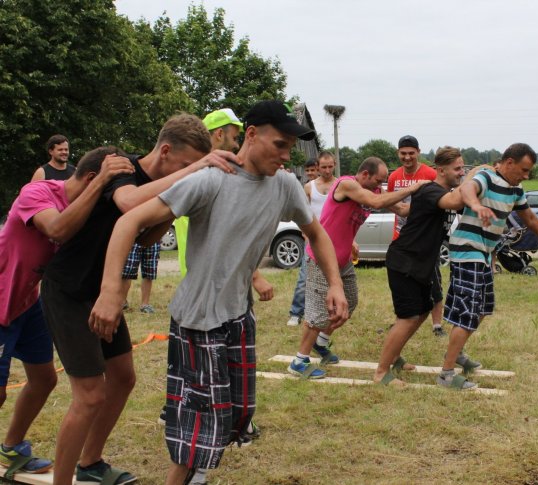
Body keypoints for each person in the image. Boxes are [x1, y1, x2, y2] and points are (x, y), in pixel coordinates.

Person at [88, 100, 349, 485]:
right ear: (251, 134)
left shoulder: (285, 186)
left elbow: (316, 234)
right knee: (200, 426)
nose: (285, 156)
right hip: (198, 319)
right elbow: (128, 221)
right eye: (279, 145)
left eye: (291, 148)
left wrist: (335, 284)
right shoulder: (211, 179)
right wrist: (111, 292)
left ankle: (197, 472)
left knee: (236, 415)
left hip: (238, 316)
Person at [40, 115, 239, 485]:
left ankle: (90, 463)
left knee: (123, 378)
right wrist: (196, 169)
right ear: (165, 151)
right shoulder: (122, 166)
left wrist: (178, 203)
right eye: (185, 163)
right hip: (68, 290)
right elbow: (129, 203)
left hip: (101, 293)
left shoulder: (166, 181)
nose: (189, 171)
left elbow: (144, 239)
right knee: (89, 396)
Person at [0, 148, 133, 476]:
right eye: (109, 188)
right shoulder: (37, 192)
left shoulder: (86, 207)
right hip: (1, 302)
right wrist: (102, 181)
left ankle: (11, 448)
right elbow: (56, 229)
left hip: (28, 303)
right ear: (92, 178)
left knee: (44, 379)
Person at [438, 143, 538, 390]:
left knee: (482, 309)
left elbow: (530, 219)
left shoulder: (515, 189)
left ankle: (456, 353)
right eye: (524, 170)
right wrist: (476, 205)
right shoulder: (487, 177)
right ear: (509, 162)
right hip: (467, 250)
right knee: (468, 312)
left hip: (484, 253)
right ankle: (446, 374)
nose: (526, 176)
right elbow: (467, 187)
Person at [288, 157, 427, 379]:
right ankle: (299, 361)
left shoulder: (373, 191)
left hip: (342, 259)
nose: (380, 186)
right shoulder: (346, 184)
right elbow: (376, 202)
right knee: (318, 312)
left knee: (349, 302)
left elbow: (401, 209)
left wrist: (430, 202)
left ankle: (321, 343)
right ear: (364, 174)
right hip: (321, 257)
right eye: (378, 181)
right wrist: (414, 187)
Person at [373, 147, 466, 386]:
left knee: (423, 311)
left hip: (420, 263)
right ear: (441, 170)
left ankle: (395, 358)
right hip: (405, 261)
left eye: (463, 168)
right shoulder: (430, 191)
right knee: (407, 317)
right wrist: (480, 175)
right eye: (457, 169)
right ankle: (381, 373)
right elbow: (456, 201)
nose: (461, 173)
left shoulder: (442, 192)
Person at [387, 135, 447, 338]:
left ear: (418, 152)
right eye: (403, 153)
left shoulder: (430, 174)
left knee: (433, 282)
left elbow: (440, 201)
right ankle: (401, 320)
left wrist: (410, 210)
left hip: (425, 238)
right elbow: (391, 201)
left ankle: (437, 325)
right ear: (398, 153)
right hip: (402, 237)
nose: (407, 157)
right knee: (404, 285)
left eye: (411, 153)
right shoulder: (394, 177)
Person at [177, 108, 244, 277]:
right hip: (207, 272)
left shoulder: (191, 168)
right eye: (235, 138)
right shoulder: (201, 172)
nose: (237, 145)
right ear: (219, 134)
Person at [287, 153, 336, 327]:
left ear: (335, 165)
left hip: (334, 239)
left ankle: (331, 310)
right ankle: (296, 312)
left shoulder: (340, 185)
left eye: (330, 166)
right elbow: (301, 212)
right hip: (314, 239)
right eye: (324, 167)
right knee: (304, 277)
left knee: (332, 278)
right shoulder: (309, 187)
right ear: (318, 167)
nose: (327, 170)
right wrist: (305, 233)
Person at [121, 242, 161, 313]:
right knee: (128, 272)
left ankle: (145, 304)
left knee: (149, 273)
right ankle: (122, 302)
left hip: (153, 241)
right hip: (134, 240)